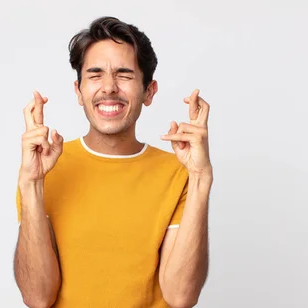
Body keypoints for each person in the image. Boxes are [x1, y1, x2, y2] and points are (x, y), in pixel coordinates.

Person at [13, 16, 213, 308]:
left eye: (124, 74)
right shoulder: (43, 168)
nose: (108, 88)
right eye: (95, 75)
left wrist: (200, 178)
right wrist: (31, 184)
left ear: (149, 91)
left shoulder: (178, 173)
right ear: (78, 91)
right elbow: (37, 297)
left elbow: (181, 296)